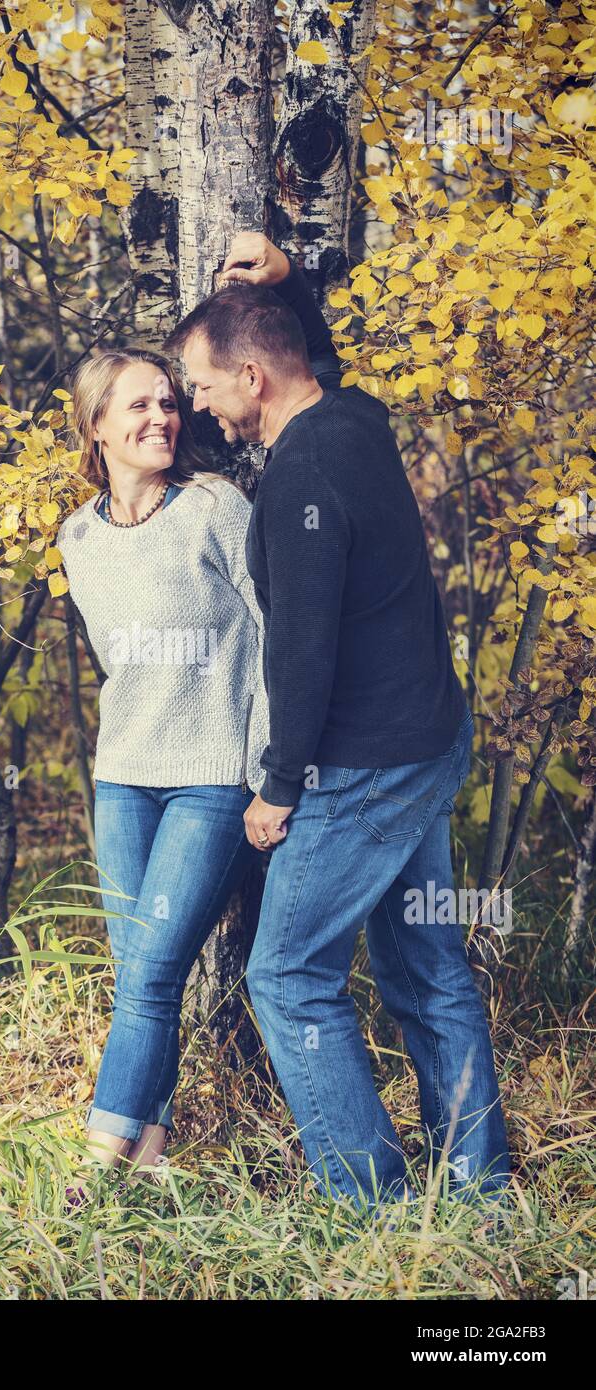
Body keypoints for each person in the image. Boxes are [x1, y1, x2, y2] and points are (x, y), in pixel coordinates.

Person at [164, 234, 511, 1207]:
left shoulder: (297, 480)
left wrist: (276, 788)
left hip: (361, 768)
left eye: (199, 383)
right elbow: (305, 357)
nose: (196, 402)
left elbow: (301, 652)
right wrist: (284, 285)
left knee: (285, 974)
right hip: (425, 742)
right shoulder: (352, 420)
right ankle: (481, 1196)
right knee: (424, 968)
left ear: (249, 378)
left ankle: (374, 1200)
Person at [55, 239, 336, 1197]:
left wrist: (270, 771)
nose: (163, 415)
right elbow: (116, 664)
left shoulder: (214, 504)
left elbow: (275, 636)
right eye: (139, 404)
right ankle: (155, 1158)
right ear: (96, 427)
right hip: (122, 776)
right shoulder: (78, 539)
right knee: (142, 971)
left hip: (214, 777)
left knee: (150, 972)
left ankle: (92, 1175)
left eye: (171, 401)